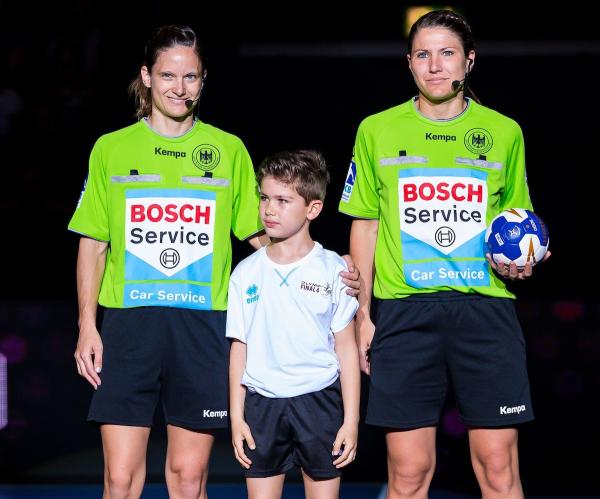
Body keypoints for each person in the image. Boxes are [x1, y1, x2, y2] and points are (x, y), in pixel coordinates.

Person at [68, 26, 359, 499]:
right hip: (129, 326)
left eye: (191, 77)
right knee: (120, 480)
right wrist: (87, 324)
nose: (179, 88)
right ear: (146, 76)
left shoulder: (227, 151)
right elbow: (93, 242)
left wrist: (326, 266)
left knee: (188, 479)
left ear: (203, 82)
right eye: (167, 75)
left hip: (202, 328)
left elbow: (263, 236)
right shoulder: (111, 148)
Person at [339, 9, 551, 499]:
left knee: (498, 469)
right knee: (410, 473)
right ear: (410, 63)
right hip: (405, 315)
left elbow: (520, 224)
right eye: (422, 54)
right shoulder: (377, 130)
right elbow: (365, 225)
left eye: (447, 53)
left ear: (469, 61)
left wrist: (528, 259)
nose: (435, 65)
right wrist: (363, 316)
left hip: (485, 312)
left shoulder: (503, 132)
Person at [227, 150, 360, 499]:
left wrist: (351, 421)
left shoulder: (333, 269)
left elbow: (346, 348)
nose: (270, 209)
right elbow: (238, 348)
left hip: (319, 403)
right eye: (265, 198)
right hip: (261, 405)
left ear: (312, 209)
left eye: (283, 200)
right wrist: (237, 417)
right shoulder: (245, 273)